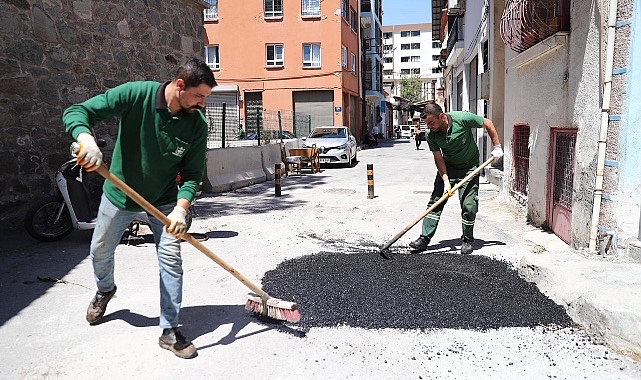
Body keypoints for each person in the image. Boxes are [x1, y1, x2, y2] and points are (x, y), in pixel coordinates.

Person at [63, 58, 216, 359]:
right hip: (118, 196)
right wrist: (85, 137)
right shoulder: (137, 95)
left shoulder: (197, 125)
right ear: (180, 85)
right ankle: (105, 290)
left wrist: (181, 209)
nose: (203, 103)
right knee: (100, 252)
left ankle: (170, 329)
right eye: (200, 96)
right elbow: (78, 111)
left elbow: (193, 174)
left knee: (171, 261)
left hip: (164, 201)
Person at [409, 103, 503, 255]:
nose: (429, 126)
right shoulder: (431, 135)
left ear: (442, 116)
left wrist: (497, 146)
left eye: (431, 122)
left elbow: (488, 123)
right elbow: (438, 159)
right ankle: (424, 239)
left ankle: (467, 240)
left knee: (469, 205)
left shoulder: (462, 118)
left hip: (470, 167)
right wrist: (446, 180)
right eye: (426, 124)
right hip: (449, 167)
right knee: (435, 202)